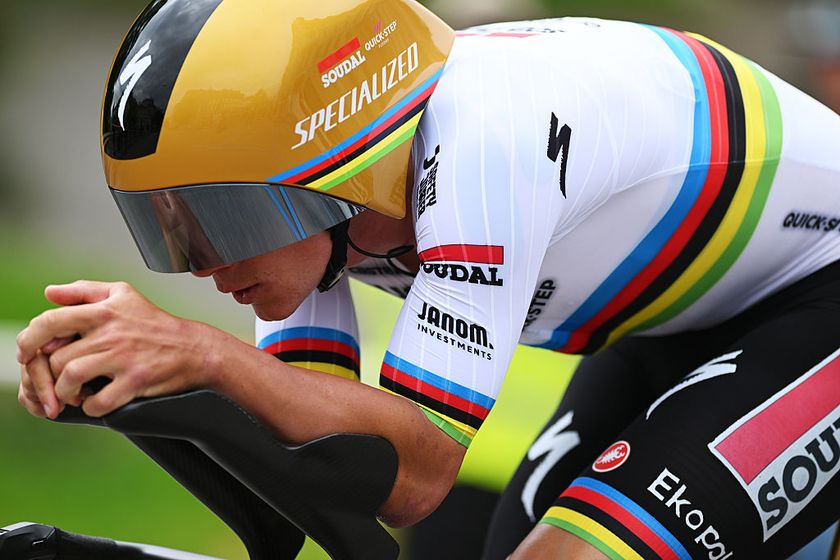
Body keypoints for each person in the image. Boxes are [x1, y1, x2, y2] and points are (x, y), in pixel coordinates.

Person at [15, 0, 840, 558]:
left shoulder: (486, 145)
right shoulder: (328, 215)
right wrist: (138, 399)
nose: (210, 265)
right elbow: (323, 466)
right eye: (176, 229)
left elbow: (415, 477)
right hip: (674, 327)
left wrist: (205, 356)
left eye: (226, 222)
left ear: (334, 176)